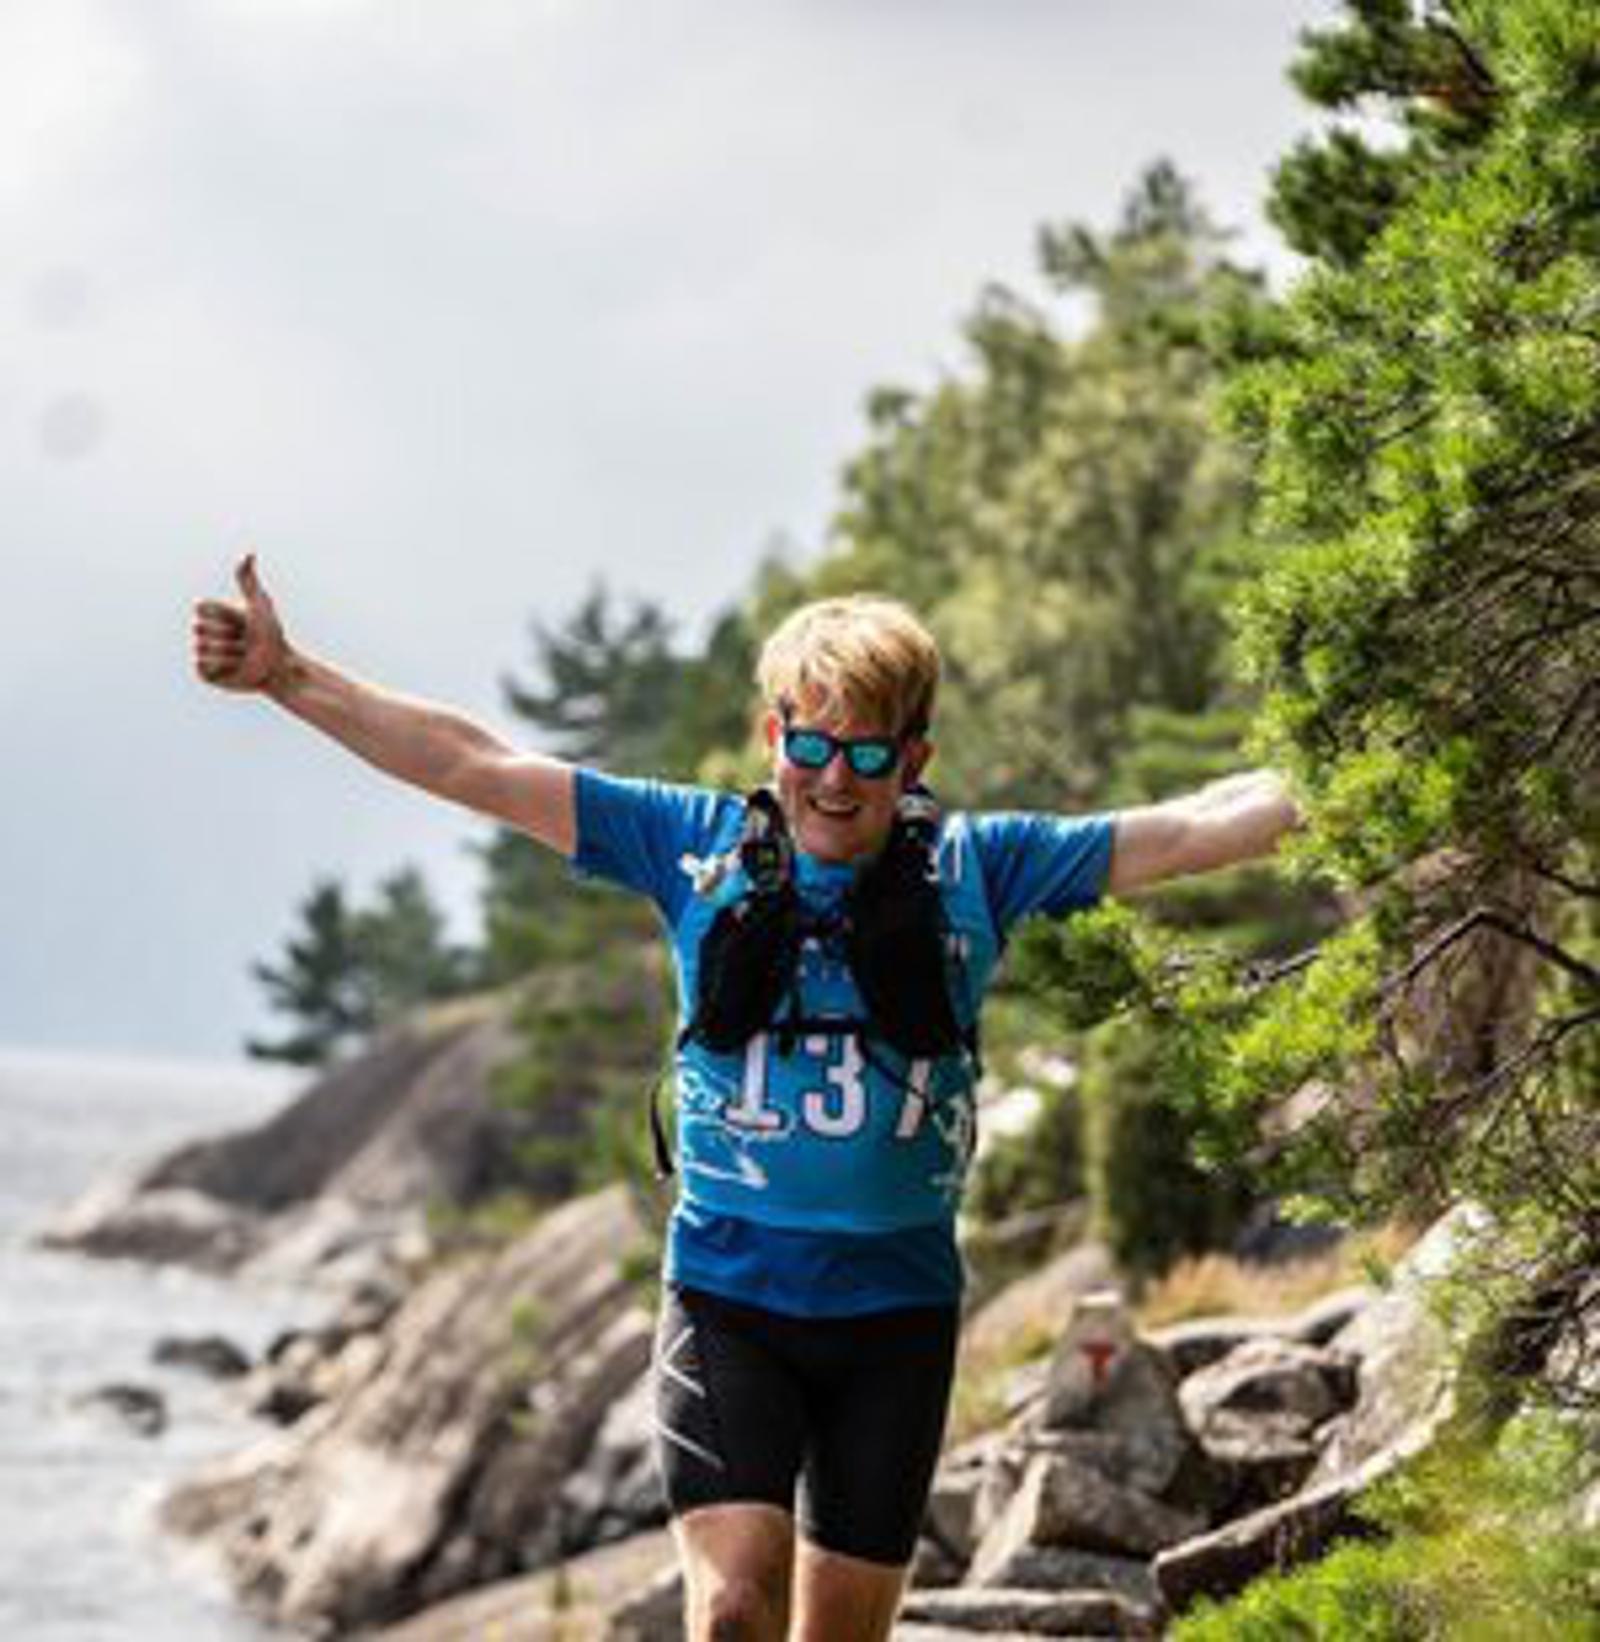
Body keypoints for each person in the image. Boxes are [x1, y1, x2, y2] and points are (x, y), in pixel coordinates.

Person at [191, 553, 1301, 1642]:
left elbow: (1191, 827)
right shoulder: (689, 843)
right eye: (809, 743)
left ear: (913, 755)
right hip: (733, 1299)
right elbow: (472, 763)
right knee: (731, 1610)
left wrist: (1335, 768)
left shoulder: (979, 864)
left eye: (866, 752)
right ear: (775, 734)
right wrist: (292, 678)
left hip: (896, 1319)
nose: (833, 778)